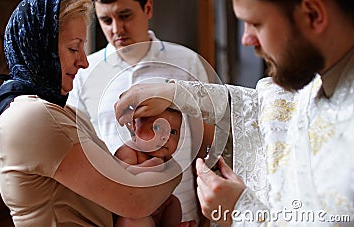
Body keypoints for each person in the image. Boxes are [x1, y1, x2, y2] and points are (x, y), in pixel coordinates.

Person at [114, 0, 354, 226]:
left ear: (312, 15)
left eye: (256, 24)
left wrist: (242, 212)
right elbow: (268, 110)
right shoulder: (320, 81)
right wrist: (175, 93)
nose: (246, 39)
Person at [0, 0, 183, 226]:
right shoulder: (32, 116)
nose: (83, 62)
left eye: (83, 47)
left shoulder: (64, 111)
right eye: (73, 48)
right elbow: (135, 200)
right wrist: (171, 166)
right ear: (42, 48)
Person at [67, 0, 215, 225]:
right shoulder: (83, 74)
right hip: (121, 218)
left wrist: (207, 216)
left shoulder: (188, 62)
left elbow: (206, 143)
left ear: (148, 8)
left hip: (183, 214)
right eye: (106, 20)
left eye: (125, 16)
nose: (116, 29)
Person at [115, 108, 183, 226]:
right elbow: (121, 178)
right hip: (132, 213)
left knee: (173, 203)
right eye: (156, 128)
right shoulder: (129, 151)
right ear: (134, 126)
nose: (165, 137)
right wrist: (151, 165)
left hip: (155, 208)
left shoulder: (167, 158)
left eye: (173, 132)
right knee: (132, 221)